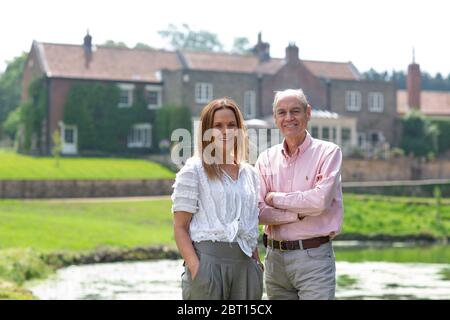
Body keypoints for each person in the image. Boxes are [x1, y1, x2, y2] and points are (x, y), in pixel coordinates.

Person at [172, 97, 264, 300]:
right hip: (208, 266)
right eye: (218, 126)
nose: (226, 131)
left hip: (246, 267)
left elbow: (250, 224)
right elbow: (180, 227)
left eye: (232, 125)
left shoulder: (250, 174)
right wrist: (197, 269)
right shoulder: (193, 170)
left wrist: (257, 265)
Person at [255, 89, 343, 300]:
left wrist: (275, 198)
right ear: (275, 118)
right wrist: (296, 214)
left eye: (295, 111)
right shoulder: (265, 158)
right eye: (282, 112)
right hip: (274, 260)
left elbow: (319, 201)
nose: (288, 118)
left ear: (308, 113)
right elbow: (257, 211)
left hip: (314, 258)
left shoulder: (329, 153)